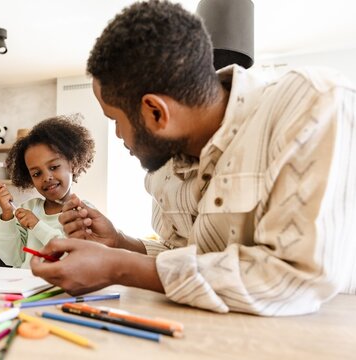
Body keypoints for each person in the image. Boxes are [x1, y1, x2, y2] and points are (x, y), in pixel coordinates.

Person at [30, 0, 356, 316]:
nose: (117, 135)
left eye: (115, 120)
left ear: (156, 111)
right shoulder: (166, 163)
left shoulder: (313, 105)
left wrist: (118, 267)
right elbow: (184, 256)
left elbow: (295, 277)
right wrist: (119, 243)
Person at [0, 115, 95, 268]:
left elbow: (74, 257)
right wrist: (7, 215)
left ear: (73, 164)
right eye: (36, 173)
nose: (47, 177)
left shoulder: (84, 212)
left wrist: (37, 225)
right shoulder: (28, 208)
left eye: (54, 167)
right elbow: (11, 258)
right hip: (24, 288)